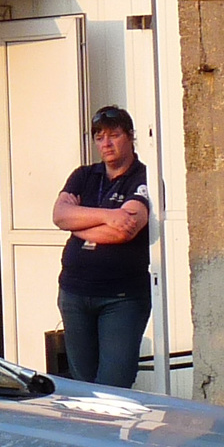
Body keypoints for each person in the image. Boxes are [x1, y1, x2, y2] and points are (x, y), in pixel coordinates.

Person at [51, 105, 153, 388]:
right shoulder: (84, 175)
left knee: (113, 388)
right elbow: (59, 215)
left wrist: (78, 222)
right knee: (82, 388)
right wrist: (110, 215)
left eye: (114, 135)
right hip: (74, 292)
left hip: (120, 297)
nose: (106, 144)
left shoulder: (143, 177)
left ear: (130, 136)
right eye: (99, 137)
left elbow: (125, 230)